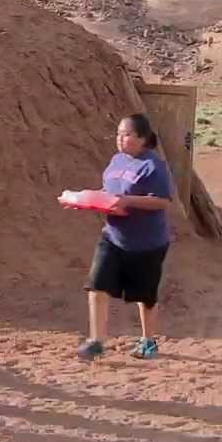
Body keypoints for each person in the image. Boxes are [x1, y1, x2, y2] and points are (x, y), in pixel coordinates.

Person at [76, 113, 174, 361]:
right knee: (97, 285)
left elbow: (162, 201)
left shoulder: (153, 166)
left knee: (145, 295)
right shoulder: (116, 161)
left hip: (147, 243)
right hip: (113, 236)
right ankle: (96, 341)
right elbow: (109, 192)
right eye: (118, 134)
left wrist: (128, 201)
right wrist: (87, 200)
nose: (121, 139)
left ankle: (148, 341)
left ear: (142, 138)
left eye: (127, 134)